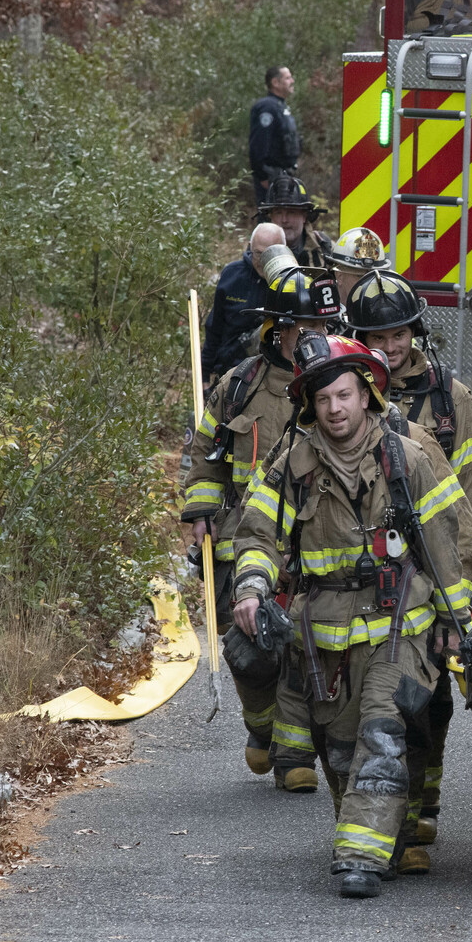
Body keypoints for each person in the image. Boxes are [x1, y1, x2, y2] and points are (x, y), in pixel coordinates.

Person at [232, 331, 472, 899]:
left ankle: (357, 858)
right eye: (323, 400)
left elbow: (446, 550)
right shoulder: (292, 465)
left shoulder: (407, 459)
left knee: (381, 733)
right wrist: (251, 588)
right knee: (340, 751)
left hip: (399, 625)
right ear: (311, 407)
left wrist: (456, 625)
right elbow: (257, 535)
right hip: (325, 633)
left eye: (343, 395)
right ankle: (380, 834)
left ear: (366, 395)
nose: (335, 409)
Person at [346, 268, 472, 850]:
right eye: (375, 339)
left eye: (398, 336)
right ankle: (390, 811)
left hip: (431, 570)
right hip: (359, 572)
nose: (388, 349)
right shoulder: (340, 391)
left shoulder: (447, 397)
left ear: (414, 331)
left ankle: (420, 804)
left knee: (428, 697)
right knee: (363, 697)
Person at [183, 257, 343, 790]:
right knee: (250, 653)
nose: (317, 339)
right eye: (307, 329)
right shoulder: (239, 385)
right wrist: (200, 511)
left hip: (308, 541)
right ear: (279, 328)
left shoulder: (335, 390)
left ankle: (292, 758)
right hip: (240, 539)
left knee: (303, 646)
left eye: (325, 328)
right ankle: (262, 727)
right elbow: (206, 454)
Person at [201, 222, 286, 383]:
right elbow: (214, 329)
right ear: (249, 248)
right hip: (229, 375)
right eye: (258, 253)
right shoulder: (232, 275)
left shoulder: (293, 283)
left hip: (273, 379)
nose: (262, 261)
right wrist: (204, 378)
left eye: (269, 254)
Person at [258, 172, 332, 270]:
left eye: (291, 212)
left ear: (304, 216)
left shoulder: (325, 247)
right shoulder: (258, 248)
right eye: (278, 213)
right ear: (270, 217)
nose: (284, 220)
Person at [250, 66, 301, 204]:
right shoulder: (267, 107)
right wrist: (263, 177)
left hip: (285, 176)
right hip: (272, 176)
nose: (292, 80)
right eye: (288, 78)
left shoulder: (281, 107)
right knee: (271, 221)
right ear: (275, 83)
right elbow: (258, 144)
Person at [327, 226, 388, 304]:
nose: (369, 284)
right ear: (339, 276)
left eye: (374, 277)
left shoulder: (383, 313)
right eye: (360, 277)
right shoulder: (324, 314)